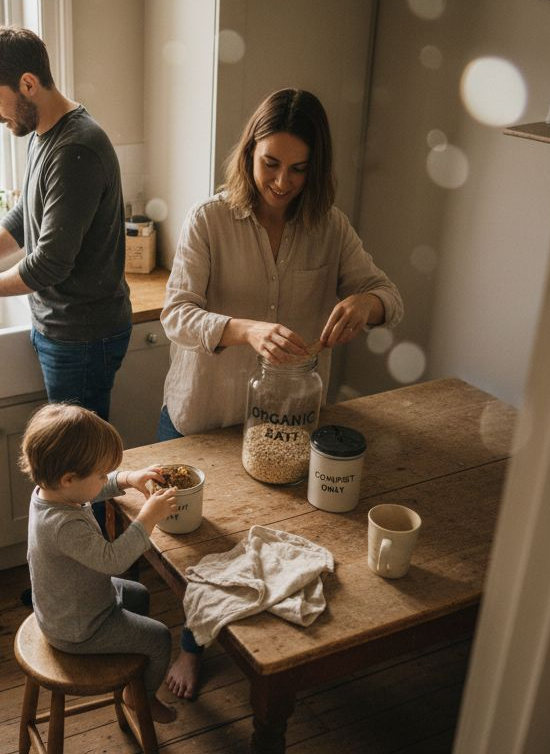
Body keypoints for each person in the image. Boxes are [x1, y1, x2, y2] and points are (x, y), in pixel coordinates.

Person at [158, 88, 405, 699]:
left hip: (282, 423)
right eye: (270, 163)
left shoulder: (330, 228)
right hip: (204, 412)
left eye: (298, 169)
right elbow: (176, 314)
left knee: (264, 540)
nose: (282, 181)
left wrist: (367, 304)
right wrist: (244, 329)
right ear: (249, 154)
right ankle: (190, 645)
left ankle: (267, 656)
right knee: (202, 550)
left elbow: (388, 294)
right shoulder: (209, 219)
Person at [0, 26, 132, 422]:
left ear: (27, 84)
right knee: (71, 462)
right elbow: (25, 217)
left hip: (83, 335)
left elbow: (49, 263)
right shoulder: (45, 134)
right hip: (63, 327)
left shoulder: (75, 149)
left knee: (77, 464)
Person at [19, 403, 181, 723]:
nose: (104, 479)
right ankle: (141, 698)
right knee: (160, 637)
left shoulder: (53, 492)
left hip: (75, 603)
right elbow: (113, 560)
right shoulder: (62, 524)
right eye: (102, 473)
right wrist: (148, 518)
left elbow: (90, 489)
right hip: (79, 629)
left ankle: (131, 659)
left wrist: (127, 478)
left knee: (139, 594)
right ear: (69, 478)